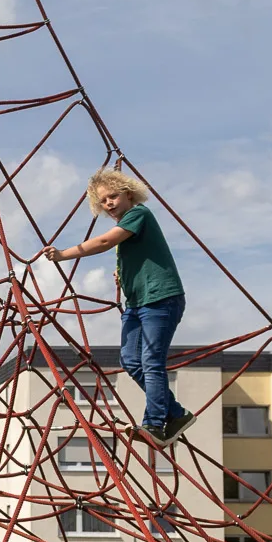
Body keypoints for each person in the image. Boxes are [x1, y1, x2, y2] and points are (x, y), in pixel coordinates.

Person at [42, 166, 194, 446]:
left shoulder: (138, 215)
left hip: (161, 298)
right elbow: (135, 254)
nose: (109, 203)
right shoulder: (129, 230)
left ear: (128, 194)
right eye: (103, 200)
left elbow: (103, 241)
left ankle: (155, 423)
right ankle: (176, 414)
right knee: (131, 361)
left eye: (113, 196)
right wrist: (123, 274)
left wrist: (64, 254)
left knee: (150, 360)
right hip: (138, 303)